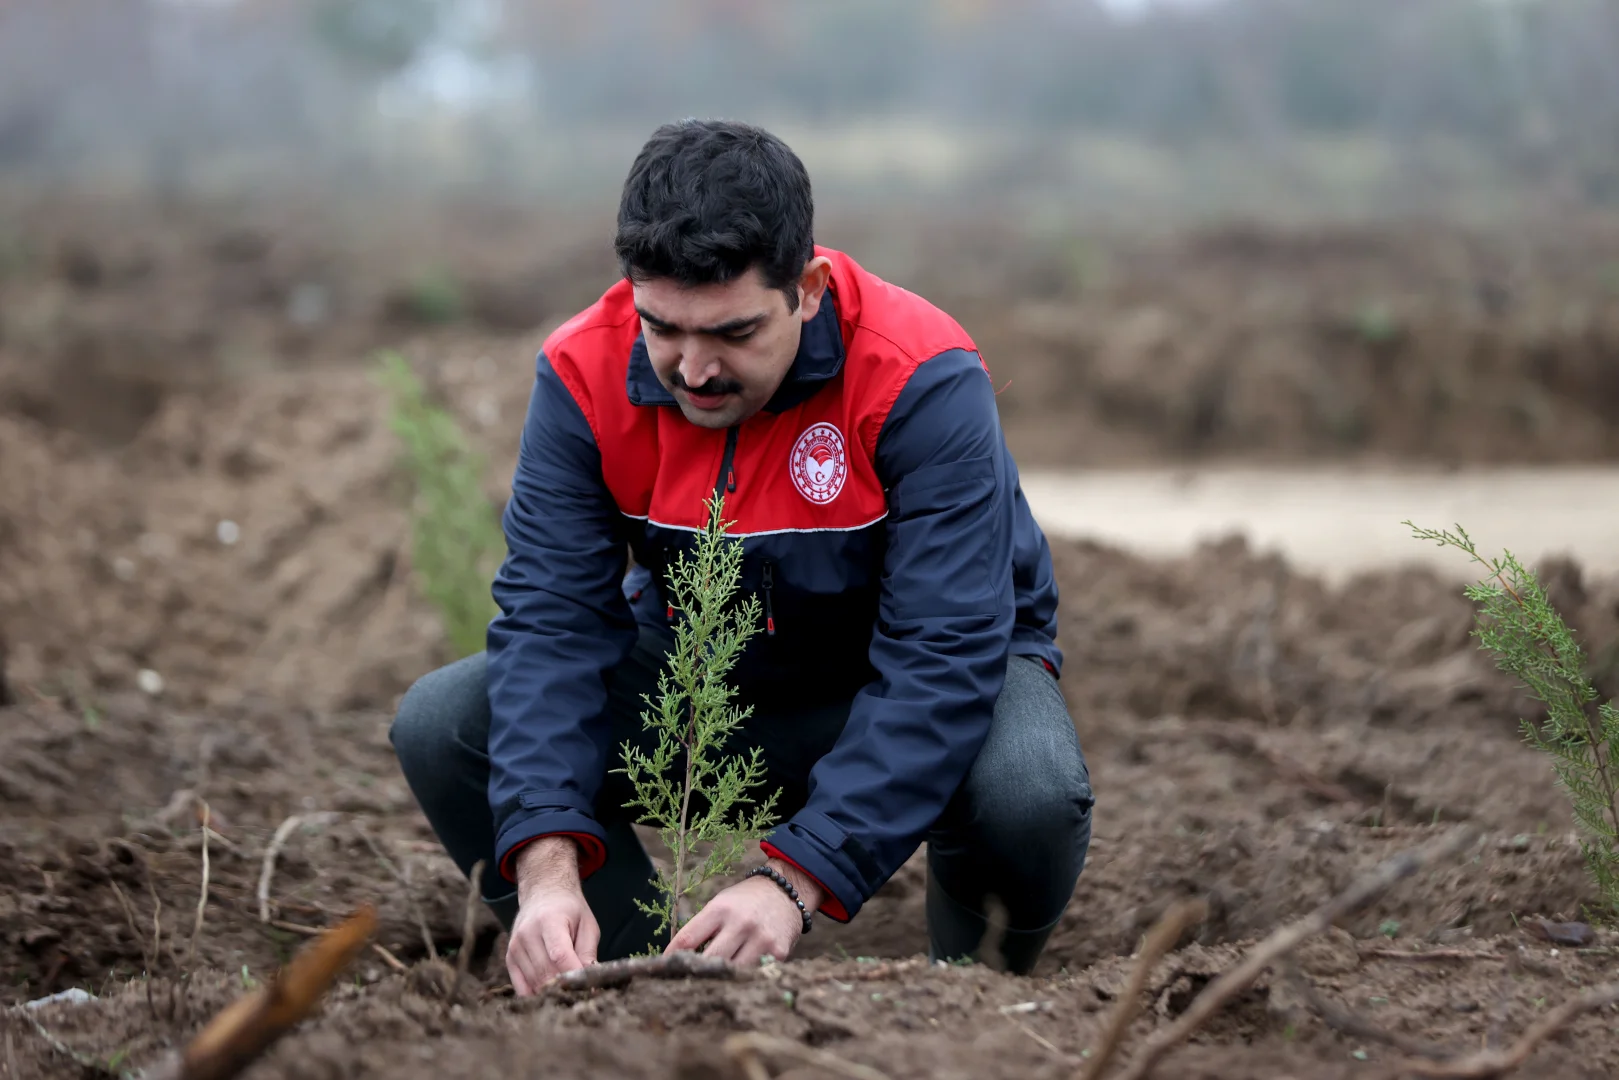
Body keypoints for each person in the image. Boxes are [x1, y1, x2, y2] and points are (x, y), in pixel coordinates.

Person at [389, 118, 1094, 995]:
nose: (693, 370)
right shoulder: (581, 372)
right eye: (663, 329)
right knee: (447, 722)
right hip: (704, 673)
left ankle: (962, 996)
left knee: (1028, 789)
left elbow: (942, 655)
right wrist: (544, 865)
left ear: (807, 289)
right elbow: (552, 622)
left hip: (906, 681)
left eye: (731, 333)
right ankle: (640, 986)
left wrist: (792, 880)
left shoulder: (920, 377)